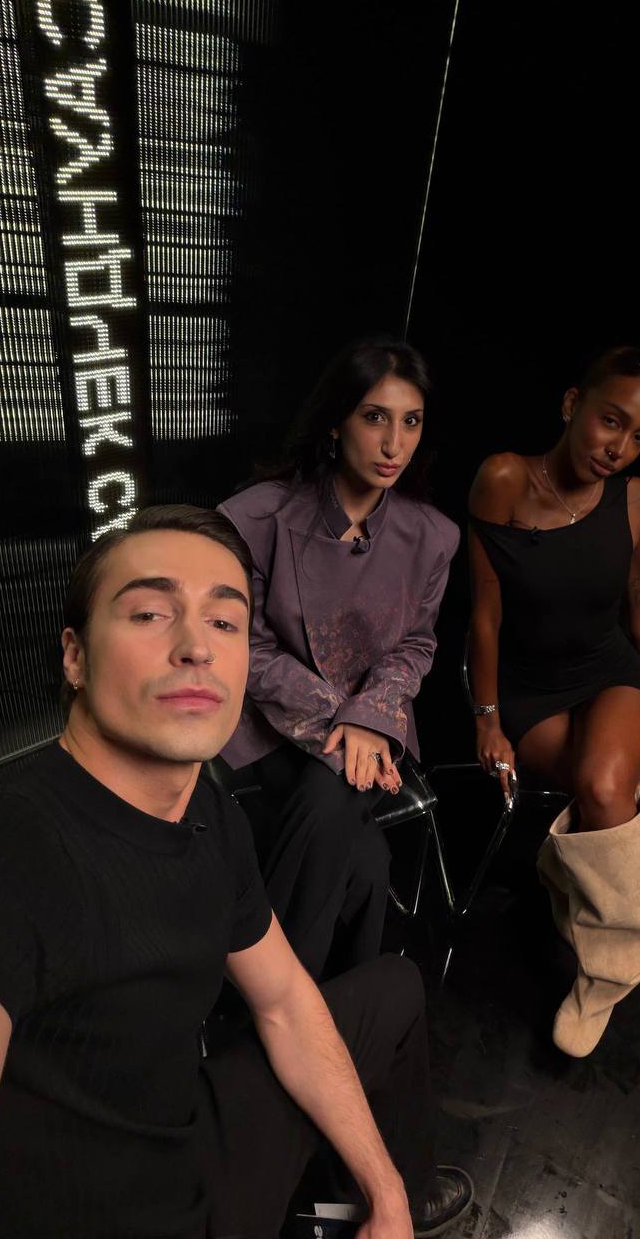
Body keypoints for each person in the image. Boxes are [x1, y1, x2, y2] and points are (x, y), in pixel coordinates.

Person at [0, 505, 472, 1238]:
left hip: (181, 1140)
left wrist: (385, 1194)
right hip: (107, 1214)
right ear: (74, 656)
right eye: (150, 614)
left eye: (224, 622)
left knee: (395, 990)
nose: (196, 646)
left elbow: (285, 1001)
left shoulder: (208, 813)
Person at [467, 346, 640, 1058]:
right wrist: (487, 719)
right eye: (611, 421)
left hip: (609, 672)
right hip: (529, 687)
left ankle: (604, 975)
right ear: (573, 404)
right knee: (629, 806)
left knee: (604, 787)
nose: (619, 448)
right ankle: (603, 852)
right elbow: (484, 615)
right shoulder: (503, 479)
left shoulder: (638, 501)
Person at [217, 336, 460, 979]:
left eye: (411, 422)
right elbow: (246, 646)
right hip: (272, 725)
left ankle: (272, 997)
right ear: (335, 421)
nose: (394, 444)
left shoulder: (433, 536)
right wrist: (345, 722)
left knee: (333, 804)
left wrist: (370, 717)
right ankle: (319, 1003)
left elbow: (417, 645)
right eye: (375, 417)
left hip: (375, 723)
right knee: (366, 863)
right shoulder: (255, 518)